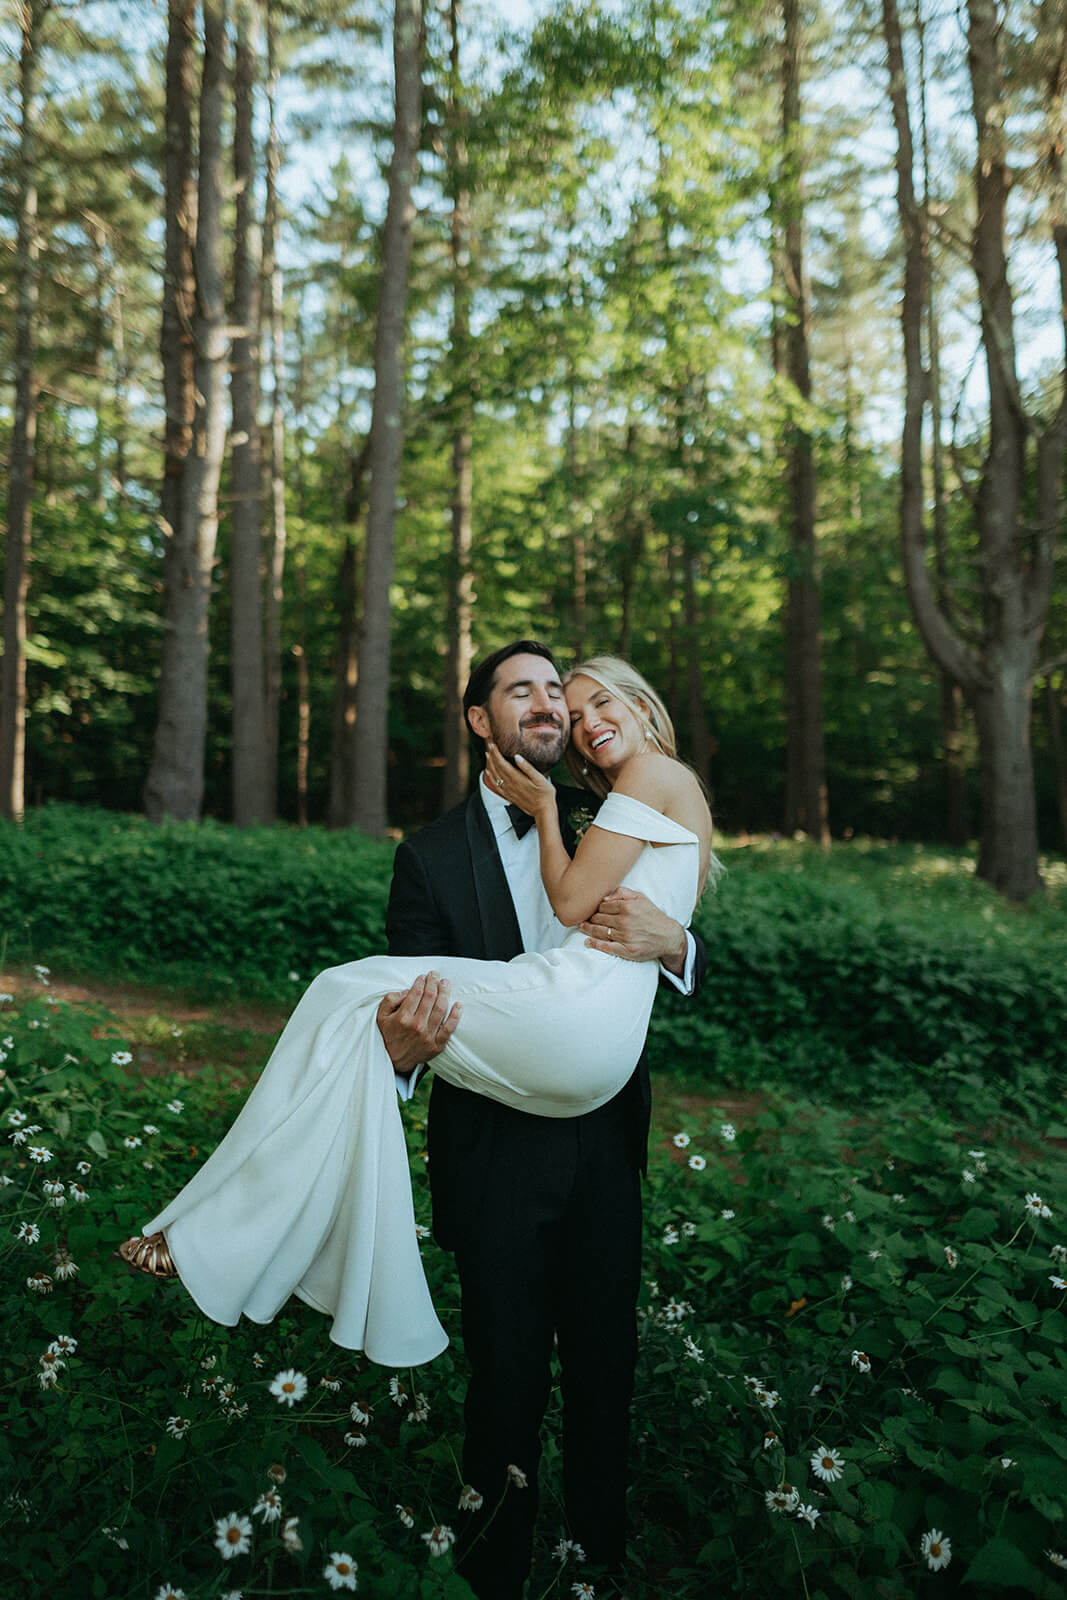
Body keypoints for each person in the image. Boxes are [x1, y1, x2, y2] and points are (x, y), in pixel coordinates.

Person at [121, 643, 713, 1599]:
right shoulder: (430, 858)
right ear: (479, 720)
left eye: (557, 693)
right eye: (522, 691)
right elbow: (411, 1015)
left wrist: (678, 943)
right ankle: (494, 1573)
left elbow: (658, 931)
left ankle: (603, 1560)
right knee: (506, 1377)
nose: (551, 707)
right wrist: (398, 1052)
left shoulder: (614, 804)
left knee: (608, 1365)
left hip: (602, 1139)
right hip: (494, 1156)